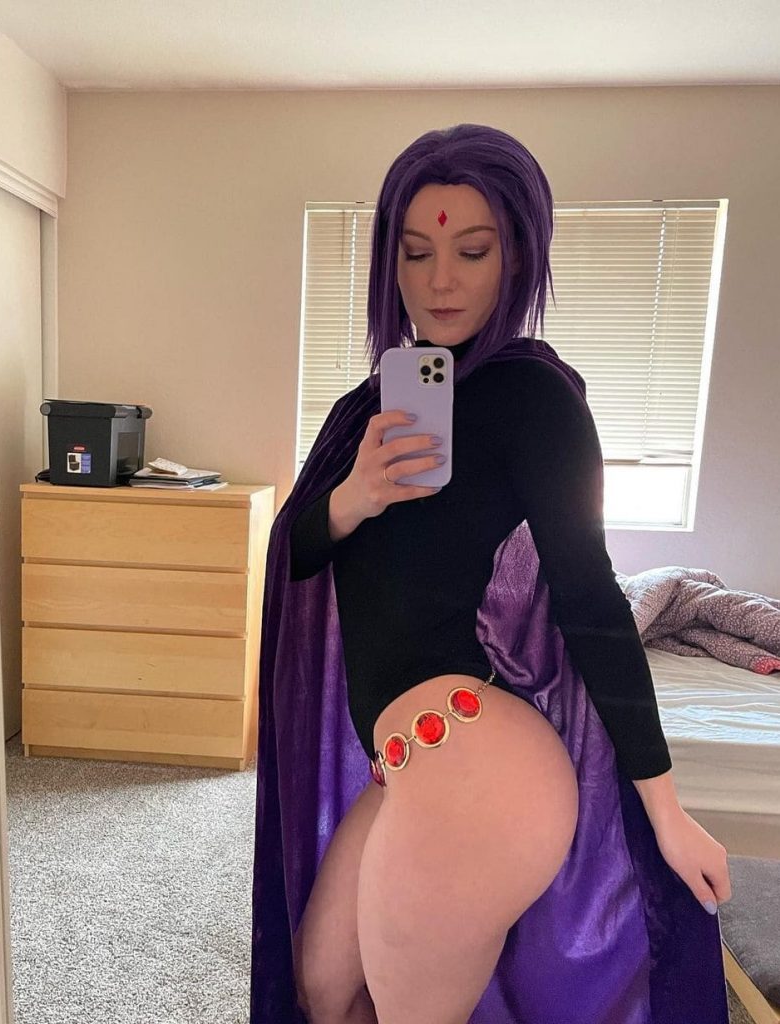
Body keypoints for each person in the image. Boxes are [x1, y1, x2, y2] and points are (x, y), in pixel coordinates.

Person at [250, 124, 731, 1024]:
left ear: (518, 257)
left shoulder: (535, 396)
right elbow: (299, 558)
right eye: (417, 252)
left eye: (472, 251)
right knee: (322, 987)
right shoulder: (369, 413)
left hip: (479, 762)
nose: (441, 280)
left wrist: (666, 810)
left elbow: (592, 600)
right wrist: (354, 497)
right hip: (408, 763)